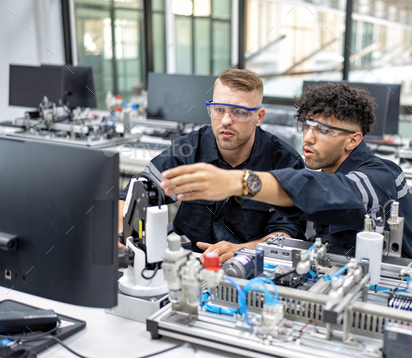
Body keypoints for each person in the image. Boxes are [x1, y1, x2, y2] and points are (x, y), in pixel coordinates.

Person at [157, 82, 412, 259]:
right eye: (307, 125)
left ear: (353, 140)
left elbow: (335, 193)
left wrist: (240, 182)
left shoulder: (382, 176)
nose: (308, 137)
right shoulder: (326, 171)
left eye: (323, 129)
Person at [118, 69, 306, 262]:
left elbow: (287, 233)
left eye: (239, 112)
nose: (225, 121)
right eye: (219, 110)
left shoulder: (285, 162)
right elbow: (139, 190)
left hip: (248, 267)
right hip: (186, 262)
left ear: (259, 117)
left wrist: (243, 250)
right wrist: (119, 233)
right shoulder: (190, 148)